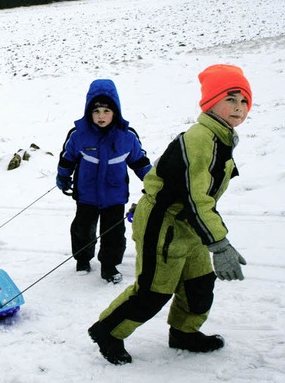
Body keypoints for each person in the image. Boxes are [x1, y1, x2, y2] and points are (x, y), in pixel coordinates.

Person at [88, 64, 253, 365]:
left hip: (189, 226)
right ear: (211, 102)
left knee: (199, 284)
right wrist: (220, 244)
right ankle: (108, 331)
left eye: (243, 101)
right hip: (162, 224)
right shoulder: (200, 139)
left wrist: (212, 238)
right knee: (153, 290)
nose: (238, 108)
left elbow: (202, 198)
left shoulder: (221, 137)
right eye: (230, 99)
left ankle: (184, 332)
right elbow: (195, 197)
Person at [57, 79, 152, 283]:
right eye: (96, 111)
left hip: (115, 196)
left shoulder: (127, 136)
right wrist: (63, 177)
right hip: (86, 194)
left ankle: (109, 265)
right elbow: (67, 158)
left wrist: (153, 183)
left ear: (115, 111)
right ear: (88, 112)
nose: (101, 116)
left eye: (106, 111)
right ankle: (83, 259)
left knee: (114, 235)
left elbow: (140, 161)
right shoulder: (79, 134)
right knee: (83, 230)